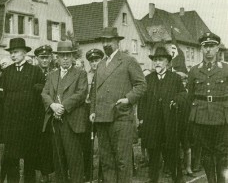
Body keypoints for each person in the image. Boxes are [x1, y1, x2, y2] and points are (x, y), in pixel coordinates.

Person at [90, 27, 147, 183]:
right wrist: (92, 110)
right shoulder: (101, 64)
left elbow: (141, 85)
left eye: (110, 40)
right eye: (104, 41)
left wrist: (128, 99)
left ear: (117, 42)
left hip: (120, 118)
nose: (106, 44)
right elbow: (94, 90)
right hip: (102, 119)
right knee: (107, 162)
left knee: (122, 161)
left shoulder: (128, 61)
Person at [138, 43, 186, 183]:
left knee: (173, 160)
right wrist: (141, 119)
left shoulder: (175, 78)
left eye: (160, 60)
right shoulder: (148, 79)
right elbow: (142, 101)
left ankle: (178, 180)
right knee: (153, 161)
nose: (157, 62)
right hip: (153, 128)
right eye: (155, 60)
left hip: (169, 127)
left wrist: (176, 100)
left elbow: (183, 95)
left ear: (167, 62)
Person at [41, 41, 88, 183]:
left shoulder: (80, 73)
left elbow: (81, 93)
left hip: (72, 123)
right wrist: (52, 106)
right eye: (62, 56)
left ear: (73, 57)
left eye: (68, 55)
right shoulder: (52, 75)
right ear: (57, 58)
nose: (65, 59)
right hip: (55, 123)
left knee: (74, 161)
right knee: (59, 161)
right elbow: (44, 93)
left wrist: (62, 107)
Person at [0, 38, 45, 183]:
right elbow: (3, 95)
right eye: (11, 53)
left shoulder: (35, 71)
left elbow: (42, 95)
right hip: (12, 124)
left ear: (25, 53)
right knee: (12, 158)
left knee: (29, 159)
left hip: (29, 124)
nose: (13, 55)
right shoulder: (6, 72)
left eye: (16, 52)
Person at [188, 32, 228, 183]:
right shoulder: (194, 71)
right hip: (201, 117)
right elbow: (191, 95)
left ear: (217, 48)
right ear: (201, 49)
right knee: (206, 152)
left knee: (222, 153)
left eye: (212, 46)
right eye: (205, 46)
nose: (208, 50)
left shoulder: (226, 69)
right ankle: (211, 180)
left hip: (222, 117)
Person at [34, 45, 55, 182]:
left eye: (47, 57)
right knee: (38, 146)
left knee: (51, 145)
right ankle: (42, 174)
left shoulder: (55, 73)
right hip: (36, 115)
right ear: (37, 59)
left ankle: (51, 172)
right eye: (42, 58)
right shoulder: (33, 73)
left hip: (52, 115)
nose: (45, 61)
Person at [84, 48, 104, 181]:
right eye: (91, 61)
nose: (94, 63)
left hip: (102, 110)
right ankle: (88, 173)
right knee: (87, 144)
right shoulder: (85, 75)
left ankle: (102, 175)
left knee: (103, 144)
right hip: (87, 110)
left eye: (96, 60)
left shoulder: (106, 74)